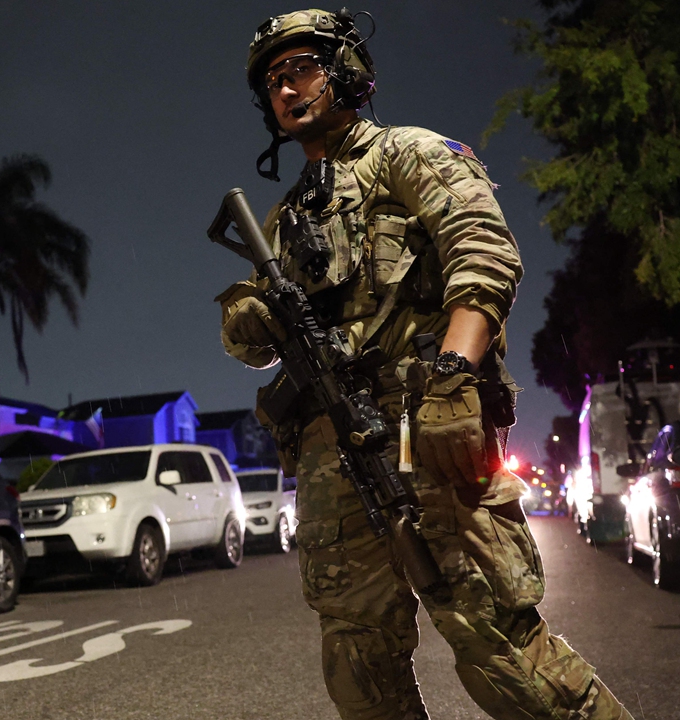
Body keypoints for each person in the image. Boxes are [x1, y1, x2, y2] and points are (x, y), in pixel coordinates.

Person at [217, 9, 633, 719]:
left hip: (424, 434)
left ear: (344, 68)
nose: (286, 91)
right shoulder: (285, 220)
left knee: (502, 653)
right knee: (358, 666)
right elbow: (251, 345)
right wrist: (247, 318)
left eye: (301, 69)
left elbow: (485, 253)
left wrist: (450, 376)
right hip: (335, 466)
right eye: (273, 82)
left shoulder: (407, 155)